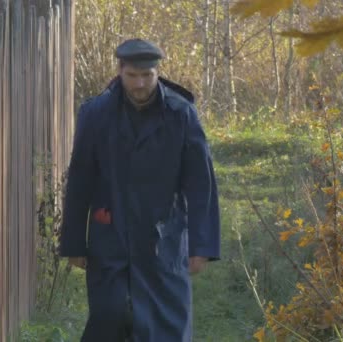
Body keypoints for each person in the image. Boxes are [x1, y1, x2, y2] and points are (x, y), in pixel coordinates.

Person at [59, 38, 221, 341]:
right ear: (120, 71)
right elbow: (81, 179)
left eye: (147, 75)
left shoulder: (181, 114)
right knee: (109, 318)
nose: (140, 84)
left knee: (167, 324)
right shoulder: (95, 114)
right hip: (111, 235)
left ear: (157, 73)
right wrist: (73, 244)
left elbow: (201, 183)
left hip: (164, 238)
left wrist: (202, 247)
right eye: (133, 76)